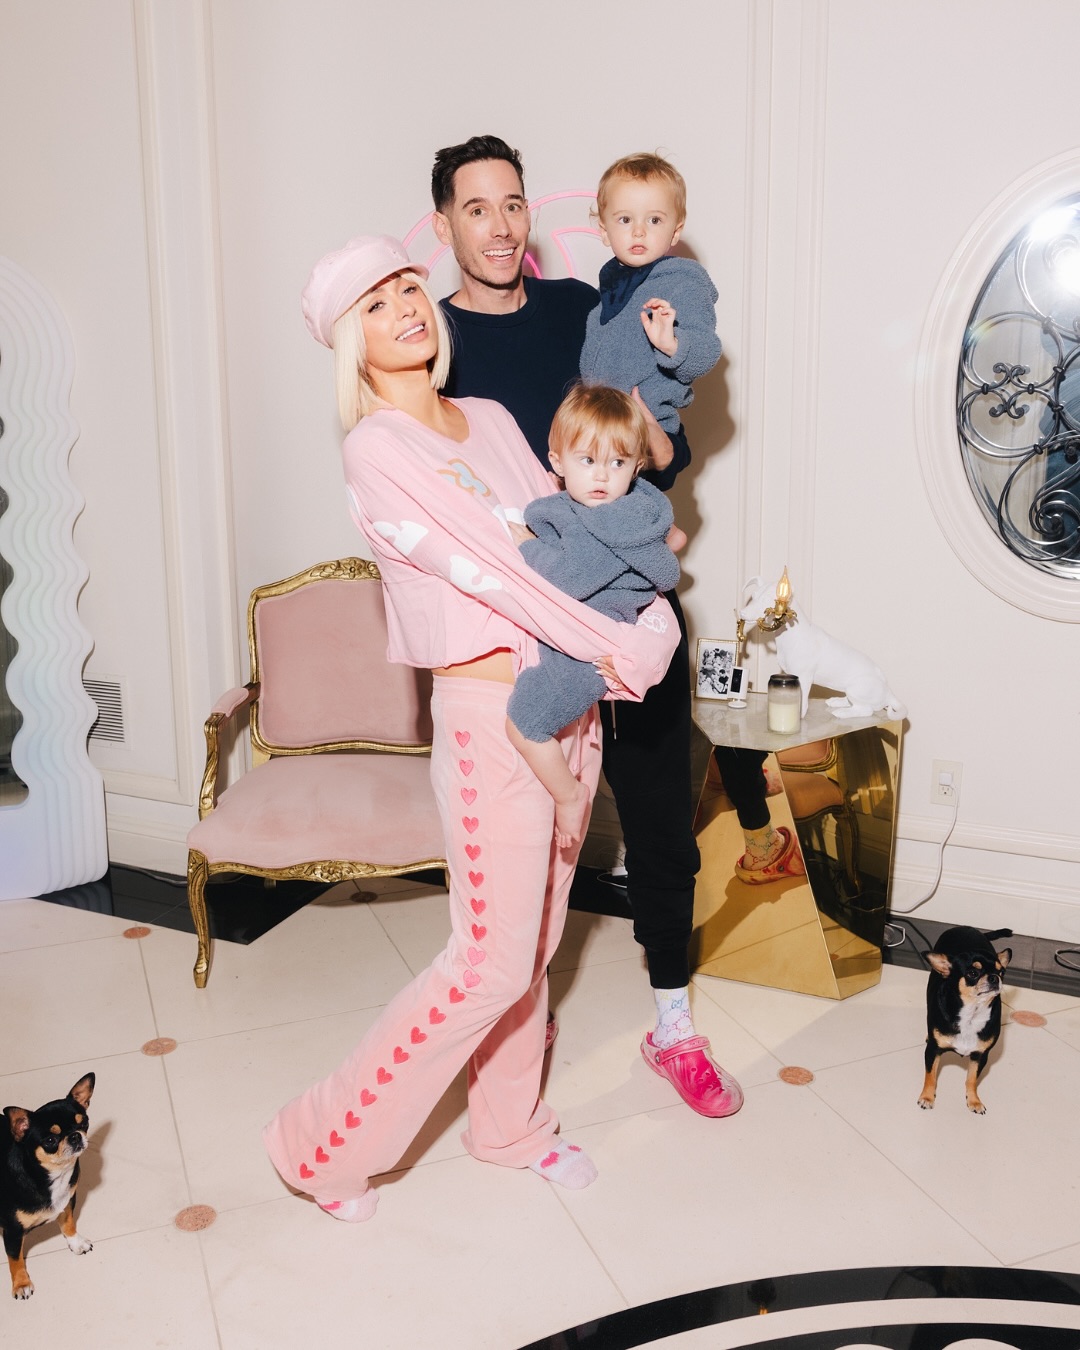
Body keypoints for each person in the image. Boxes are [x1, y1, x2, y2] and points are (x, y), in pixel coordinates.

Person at [263, 234, 680, 1218]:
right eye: (375, 304)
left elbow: (578, 539)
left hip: (570, 704)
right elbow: (505, 578)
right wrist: (634, 647)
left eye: (409, 287)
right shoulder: (378, 449)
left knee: (533, 948)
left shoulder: (488, 417)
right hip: (491, 717)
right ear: (349, 345)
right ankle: (318, 1146)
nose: (406, 307)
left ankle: (508, 1127)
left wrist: (642, 616)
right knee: (485, 964)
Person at [432, 135, 743, 1119]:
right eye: (476, 208)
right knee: (524, 836)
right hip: (517, 619)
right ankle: (514, 1025)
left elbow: (666, 437)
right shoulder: (431, 338)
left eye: (512, 204)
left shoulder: (587, 303)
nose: (499, 226)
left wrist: (649, 447)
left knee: (659, 819)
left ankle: (674, 1026)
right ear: (444, 224)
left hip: (629, 596)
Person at [505, 384, 682, 851]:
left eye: (618, 463)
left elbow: (571, 577)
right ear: (558, 462)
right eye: (587, 460)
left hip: (587, 654)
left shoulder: (615, 523)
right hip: (581, 641)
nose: (602, 475)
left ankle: (569, 796)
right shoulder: (603, 511)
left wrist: (528, 547)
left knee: (524, 723)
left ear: (637, 466)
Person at [580, 153, 722, 434]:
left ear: (675, 231)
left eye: (654, 220)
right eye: (625, 219)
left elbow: (707, 350)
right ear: (604, 230)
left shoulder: (682, 282)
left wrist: (673, 345)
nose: (639, 231)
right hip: (600, 428)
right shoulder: (605, 295)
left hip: (648, 429)